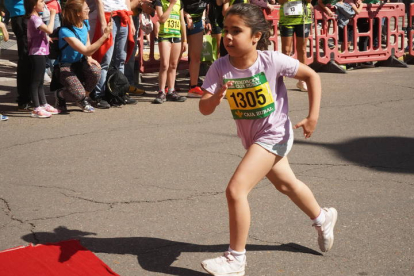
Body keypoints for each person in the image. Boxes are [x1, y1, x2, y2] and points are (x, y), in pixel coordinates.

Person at [199, 4, 338, 276]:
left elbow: (311, 74)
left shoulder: (271, 60)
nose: (228, 37)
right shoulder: (220, 66)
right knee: (287, 185)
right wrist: (216, 97)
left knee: (236, 190)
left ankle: (235, 260)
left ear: (255, 36)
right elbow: (204, 108)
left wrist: (313, 117)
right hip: (252, 140)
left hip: (274, 135)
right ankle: (323, 218)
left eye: (236, 31)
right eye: (226, 30)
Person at [54, 0, 112, 113]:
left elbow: (87, 41)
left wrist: (89, 57)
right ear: (78, 13)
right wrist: (105, 36)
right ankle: (61, 94)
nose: (89, 10)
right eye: (86, 9)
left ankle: (82, 99)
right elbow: (85, 50)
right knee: (79, 93)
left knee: (96, 71)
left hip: (80, 63)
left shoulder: (84, 23)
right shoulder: (65, 31)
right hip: (65, 67)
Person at [90, 0, 136, 108]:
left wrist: (131, 22)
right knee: (105, 59)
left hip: (124, 16)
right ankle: (99, 95)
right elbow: (99, 2)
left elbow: (127, 1)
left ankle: (119, 93)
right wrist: (102, 23)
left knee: (121, 59)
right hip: (108, 15)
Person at [25, 0, 60, 118]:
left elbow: (41, 32)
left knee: (40, 80)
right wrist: (52, 16)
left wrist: (46, 37)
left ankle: (43, 104)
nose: (44, 4)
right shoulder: (35, 18)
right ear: (34, 5)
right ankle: (36, 107)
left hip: (41, 52)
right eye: (41, 1)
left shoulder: (36, 18)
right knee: (36, 81)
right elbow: (49, 30)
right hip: (37, 53)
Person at [153, 0, 188, 103]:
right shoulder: (160, 2)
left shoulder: (180, 2)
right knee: (164, 64)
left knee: (173, 65)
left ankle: (171, 91)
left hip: (176, 36)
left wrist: (184, 40)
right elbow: (162, 19)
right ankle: (161, 91)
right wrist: (171, 4)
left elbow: (182, 21)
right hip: (165, 36)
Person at [278, 0, 313, 92]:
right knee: (286, 51)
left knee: (302, 49)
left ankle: (302, 80)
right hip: (286, 19)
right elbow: (280, 1)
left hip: (303, 19)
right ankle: (282, 80)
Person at [4, 0, 32, 111]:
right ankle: (24, 99)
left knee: (33, 58)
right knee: (26, 59)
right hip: (21, 15)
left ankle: (32, 97)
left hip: (29, 14)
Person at [182, 0, 209, 98]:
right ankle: (168, 87)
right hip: (181, 21)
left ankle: (193, 87)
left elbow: (214, 6)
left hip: (197, 23)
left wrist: (207, 20)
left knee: (196, 57)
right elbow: (175, 5)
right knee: (174, 58)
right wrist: (185, 14)